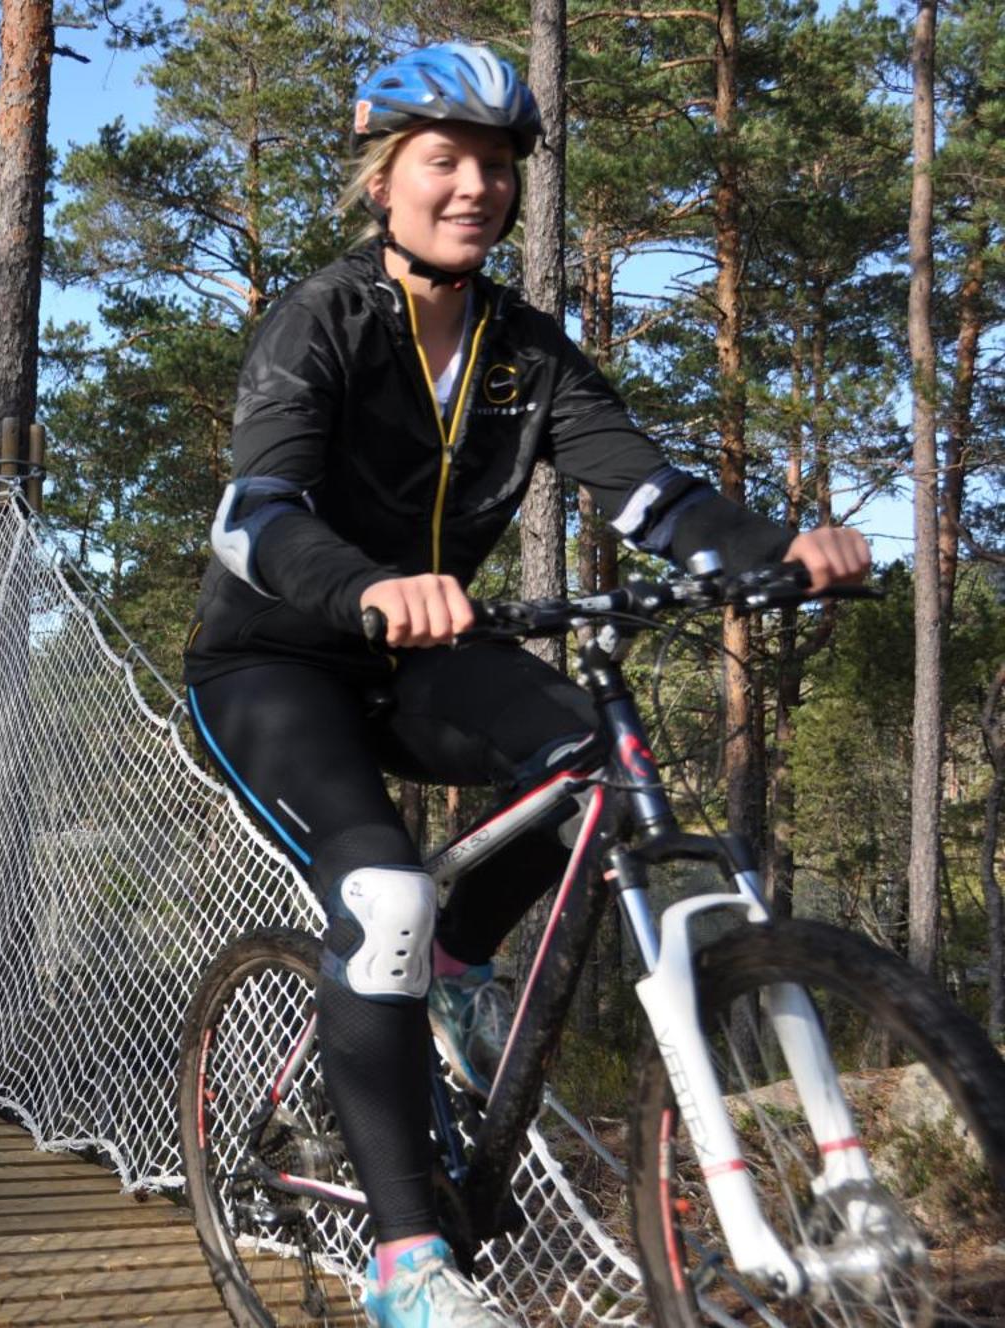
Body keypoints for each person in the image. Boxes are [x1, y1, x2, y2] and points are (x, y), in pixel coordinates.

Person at [183, 42, 869, 1328]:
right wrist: (363, 584)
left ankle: (455, 953)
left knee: (589, 764)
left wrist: (773, 547)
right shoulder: (318, 320)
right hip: (275, 657)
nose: (471, 188)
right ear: (382, 181)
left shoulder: (525, 351)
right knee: (378, 887)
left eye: (494, 167)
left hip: (424, 651)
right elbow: (251, 513)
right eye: (441, 161)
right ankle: (404, 1260)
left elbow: (648, 489)